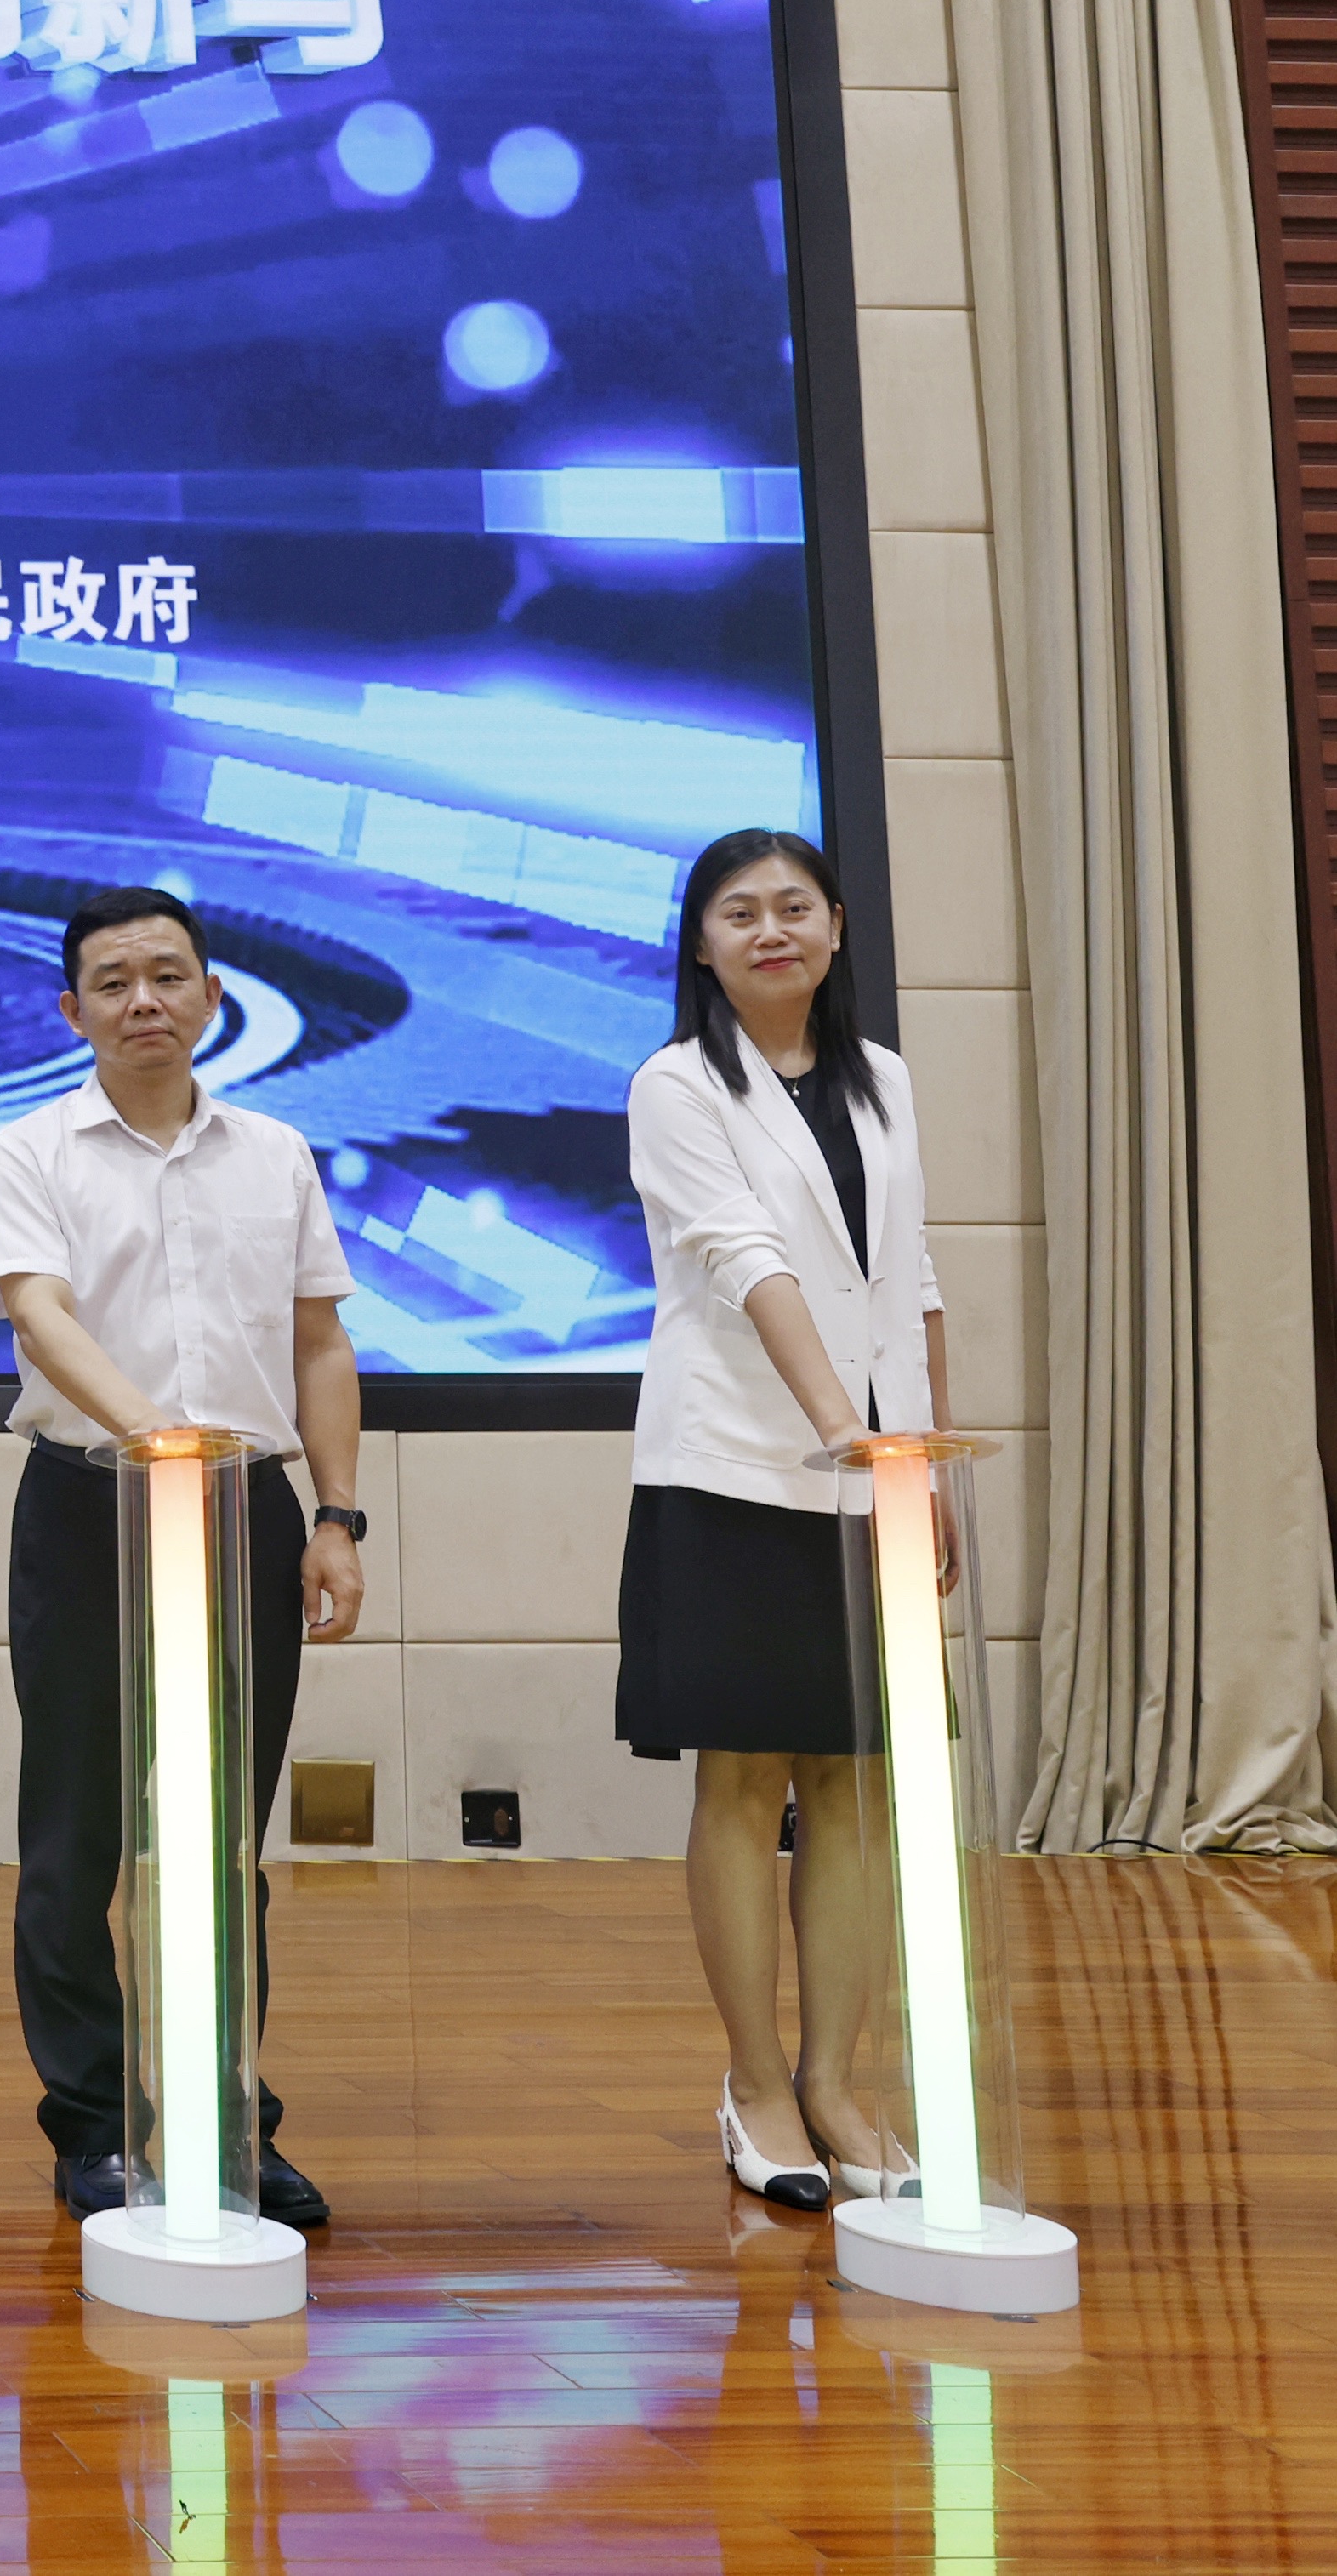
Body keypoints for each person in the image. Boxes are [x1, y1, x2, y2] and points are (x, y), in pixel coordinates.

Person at [0, 884, 366, 2230]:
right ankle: (91, 2123)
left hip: (249, 1510)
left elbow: (319, 1343)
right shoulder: (28, 1151)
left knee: (219, 1840)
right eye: (113, 981)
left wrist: (336, 1514)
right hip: (89, 1507)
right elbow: (39, 1317)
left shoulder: (275, 1154)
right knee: (75, 1840)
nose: (144, 1000)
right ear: (70, 1008)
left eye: (168, 976)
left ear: (210, 995)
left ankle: (223, 2116)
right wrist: (159, 1442)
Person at [617, 829, 949, 2210]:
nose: (770, 931)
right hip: (735, 1468)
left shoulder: (883, 1079)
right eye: (738, 913)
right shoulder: (675, 1084)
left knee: (858, 1781)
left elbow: (910, 1279)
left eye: (793, 908)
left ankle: (834, 2084)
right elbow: (741, 1259)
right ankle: (753, 2085)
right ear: (700, 947)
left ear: (834, 928)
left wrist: (919, 1461)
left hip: (874, 1465)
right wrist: (839, 1426)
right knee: (746, 1778)